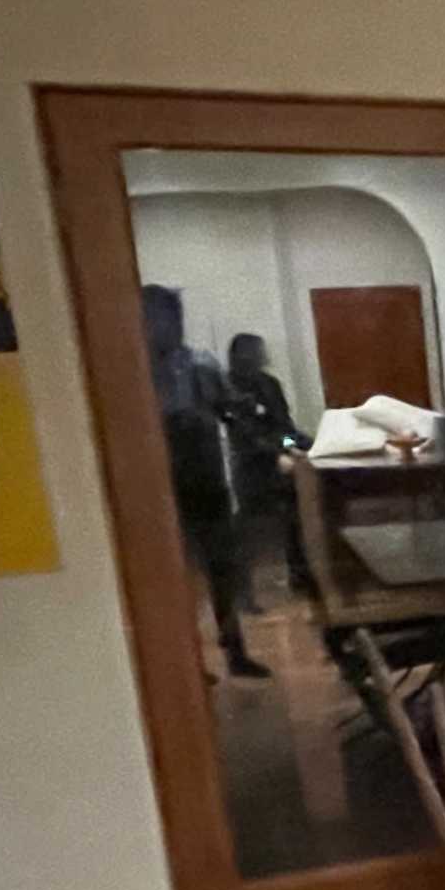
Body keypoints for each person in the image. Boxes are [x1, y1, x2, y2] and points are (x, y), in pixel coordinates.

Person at [142, 284, 265, 680]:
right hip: (160, 486)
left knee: (222, 568)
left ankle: (235, 652)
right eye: (160, 318)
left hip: (206, 475)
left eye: (173, 317)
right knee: (174, 578)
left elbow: (231, 411)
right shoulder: (133, 371)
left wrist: (243, 413)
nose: (170, 327)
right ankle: (188, 663)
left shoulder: (201, 364)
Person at [222, 331, 308, 604]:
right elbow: (243, 433)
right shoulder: (227, 386)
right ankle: (244, 593)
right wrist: (276, 456)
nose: (264, 356)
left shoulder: (270, 384)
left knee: (296, 514)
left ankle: (300, 576)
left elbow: (284, 426)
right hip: (250, 463)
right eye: (258, 352)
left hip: (280, 458)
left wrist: (292, 447)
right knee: (249, 530)